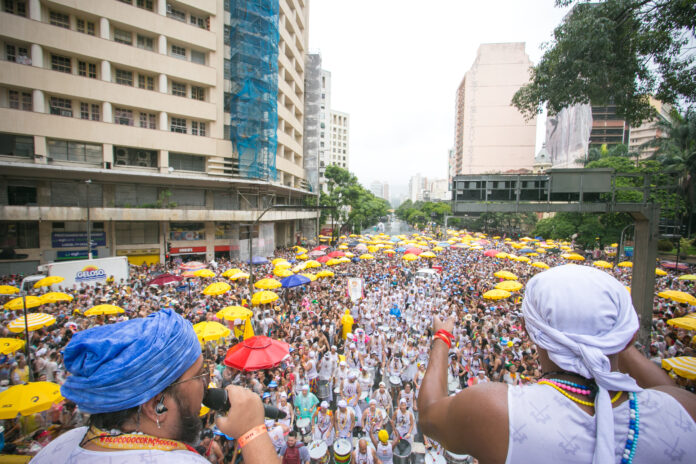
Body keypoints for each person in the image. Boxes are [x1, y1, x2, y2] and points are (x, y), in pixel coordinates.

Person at [418, 265, 696, 463]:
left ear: (529, 329)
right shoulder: (685, 409)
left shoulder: (494, 409)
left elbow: (430, 415)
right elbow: (664, 388)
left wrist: (442, 336)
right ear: (629, 334)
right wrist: (614, 342)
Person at [31, 308, 279, 464]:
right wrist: (253, 433)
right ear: (155, 405)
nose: (207, 383)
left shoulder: (64, 444)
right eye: (199, 375)